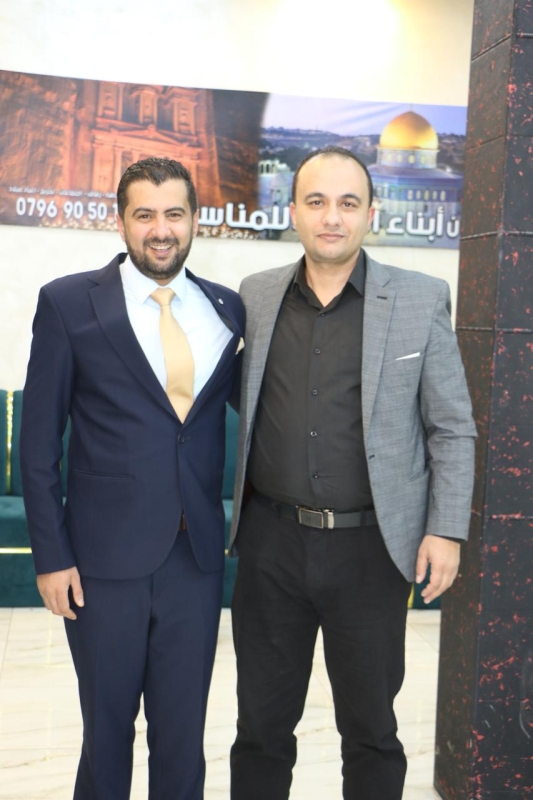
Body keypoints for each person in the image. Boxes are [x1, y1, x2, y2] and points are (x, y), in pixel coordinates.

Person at [228, 145, 476, 800]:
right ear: (293, 211)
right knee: (259, 730)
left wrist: (445, 529)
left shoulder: (419, 298)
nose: (331, 217)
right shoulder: (257, 296)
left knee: (370, 732)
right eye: (316, 202)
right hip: (270, 547)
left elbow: (451, 425)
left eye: (346, 203)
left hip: (371, 551)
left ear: (371, 213)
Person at [20, 157, 245, 800]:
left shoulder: (226, 309)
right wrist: (51, 557)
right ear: (120, 222)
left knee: (182, 737)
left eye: (174, 214)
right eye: (144, 214)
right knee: (107, 732)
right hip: (101, 564)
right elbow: (38, 445)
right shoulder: (68, 303)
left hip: (195, 560)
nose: (160, 229)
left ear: (195, 220)